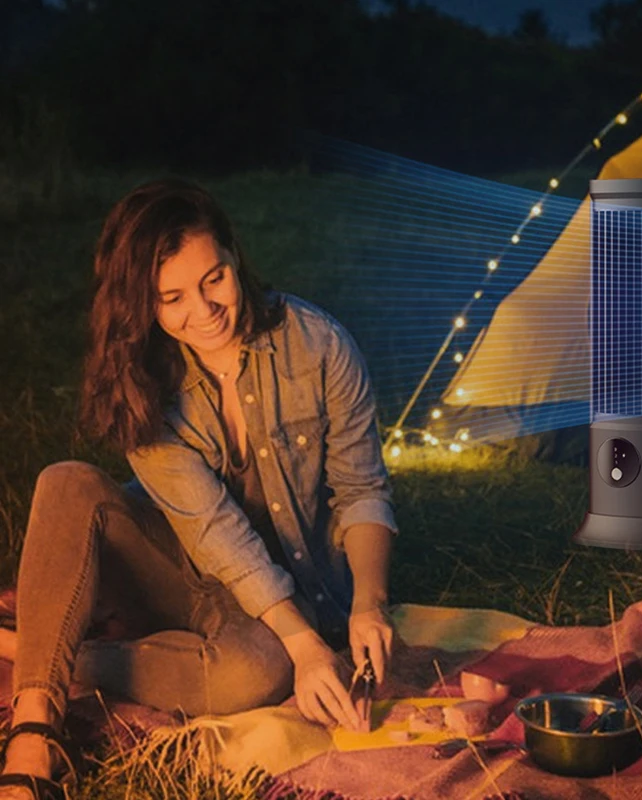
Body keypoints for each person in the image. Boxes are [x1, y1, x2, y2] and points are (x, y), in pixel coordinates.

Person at [0, 178, 397, 800]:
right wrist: (308, 646)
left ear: (235, 256)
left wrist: (369, 603)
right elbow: (215, 533)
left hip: (267, 595)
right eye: (173, 297)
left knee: (257, 674)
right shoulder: (143, 383)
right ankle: (33, 727)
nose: (204, 310)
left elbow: (362, 488)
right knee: (66, 480)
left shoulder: (319, 345)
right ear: (145, 306)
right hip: (181, 560)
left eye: (214, 279)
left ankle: (43, 648)